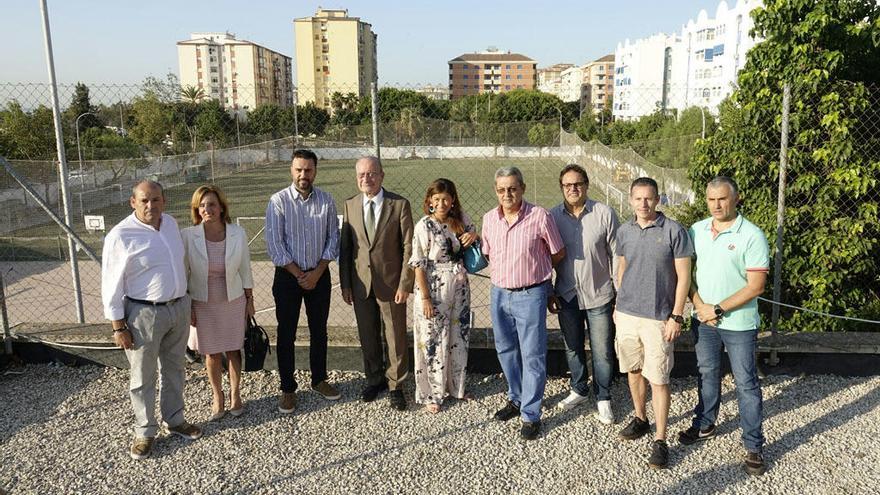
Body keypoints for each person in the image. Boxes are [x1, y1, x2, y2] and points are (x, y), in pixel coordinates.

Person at [102, 180, 202, 460]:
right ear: (133, 202)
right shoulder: (121, 236)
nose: (150, 205)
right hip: (143, 314)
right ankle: (144, 432)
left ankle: (175, 419)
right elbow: (111, 284)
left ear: (164, 201)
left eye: (155, 200)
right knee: (143, 377)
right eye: (144, 200)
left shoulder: (170, 224)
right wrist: (118, 326)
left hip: (178, 308)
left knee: (175, 369)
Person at [682, 176, 770, 476]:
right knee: (707, 374)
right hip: (704, 320)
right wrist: (700, 305)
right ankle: (705, 423)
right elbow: (686, 274)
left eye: (722, 198)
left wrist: (718, 308)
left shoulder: (752, 235)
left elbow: (756, 286)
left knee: (746, 383)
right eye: (711, 199)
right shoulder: (696, 230)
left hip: (739, 324)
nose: (717, 205)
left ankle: (754, 445)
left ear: (736, 198)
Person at [482, 166, 565, 440]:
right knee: (505, 349)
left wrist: (539, 276)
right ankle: (516, 397)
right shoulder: (489, 220)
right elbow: (487, 253)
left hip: (531, 294)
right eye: (502, 189)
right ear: (496, 191)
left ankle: (531, 413)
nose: (507, 194)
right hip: (499, 293)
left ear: (522, 188)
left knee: (533, 354)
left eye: (513, 188)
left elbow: (557, 252)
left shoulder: (540, 216)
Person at [614, 176, 692, 469]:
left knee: (659, 378)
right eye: (638, 198)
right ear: (631, 200)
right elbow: (622, 267)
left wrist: (676, 315)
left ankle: (660, 439)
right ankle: (640, 418)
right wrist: (618, 305)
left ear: (657, 199)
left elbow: (684, 276)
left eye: (649, 198)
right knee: (633, 370)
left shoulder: (674, 231)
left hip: (659, 318)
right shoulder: (624, 231)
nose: (643, 204)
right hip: (626, 315)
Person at [265, 149, 340, 414]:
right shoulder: (278, 202)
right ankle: (288, 388)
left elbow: (333, 239)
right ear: (291, 170)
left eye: (308, 170)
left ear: (315, 171)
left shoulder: (327, 201)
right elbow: (276, 246)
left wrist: (318, 272)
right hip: (288, 277)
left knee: (319, 330)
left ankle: (319, 379)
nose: (303, 175)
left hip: (319, 275)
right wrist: (299, 275)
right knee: (287, 333)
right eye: (298, 169)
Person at [339, 156, 414, 411]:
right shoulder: (349, 205)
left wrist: (405, 283)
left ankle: (396, 385)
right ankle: (374, 379)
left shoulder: (399, 205)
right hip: (361, 285)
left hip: (391, 286)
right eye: (361, 174)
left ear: (381, 175)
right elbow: (346, 248)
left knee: (395, 337)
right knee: (368, 335)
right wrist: (346, 284)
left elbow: (408, 247)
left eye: (371, 174)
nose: (366, 179)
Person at [548, 164, 619, 424]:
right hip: (567, 294)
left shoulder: (604, 213)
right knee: (573, 348)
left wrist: (618, 293)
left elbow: (617, 256)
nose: (573, 189)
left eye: (577, 184)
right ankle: (579, 388)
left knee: (602, 351)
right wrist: (548, 290)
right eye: (568, 185)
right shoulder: (552, 217)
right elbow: (545, 258)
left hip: (599, 294)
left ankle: (603, 397)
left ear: (586, 185)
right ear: (562, 188)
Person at [181, 184, 254, 421]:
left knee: (233, 349)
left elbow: (245, 269)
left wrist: (249, 300)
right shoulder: (188, 236)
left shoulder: (237, 233)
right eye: (201, 205)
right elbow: (184, 273)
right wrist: (188, 306)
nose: (206, 209)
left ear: (221, 207)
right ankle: (217, 396)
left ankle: (235, 394)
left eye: (211, 204)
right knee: (211, 354)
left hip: (233, 299)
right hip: (202, 302)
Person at [408, 178, 478, 414]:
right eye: (436, 199)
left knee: (458, 338)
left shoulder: (460, 221)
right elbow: (417, 264)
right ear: (429, 201)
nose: (441, 203)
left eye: (446, 199)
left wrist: (473, 236)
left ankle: (456, 387)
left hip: (459, 288)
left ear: (453, 200)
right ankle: (432, 394)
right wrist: (425, 297)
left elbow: (473, 235)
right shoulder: (423, 226)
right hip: (432, 289)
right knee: (433, 341)